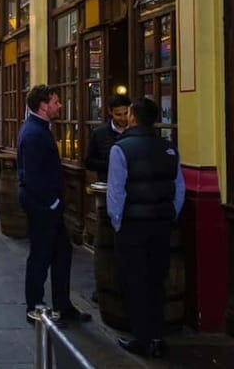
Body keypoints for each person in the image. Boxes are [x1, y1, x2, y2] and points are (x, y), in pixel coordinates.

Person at [107, 97, 185, 357]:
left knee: (135, 281)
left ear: (132, 117)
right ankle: (157, 336)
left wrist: (117, 223)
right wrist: (170, 214)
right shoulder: (169, 148)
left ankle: (142, 338)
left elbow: (115, 193)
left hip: (133, 225)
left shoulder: (121, 149)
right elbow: (179, 188)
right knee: (156, 280)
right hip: (161, 224)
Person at [17, 85, 90, 326]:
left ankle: (63, 306)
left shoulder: (39, 129)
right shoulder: (34, 133)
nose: (60, 106)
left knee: (62, 254)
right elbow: (32, 176)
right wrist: (53, 203)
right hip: (42, 207)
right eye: (56, 102)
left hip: (47, 206)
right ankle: (34, 307)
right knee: (40, 257)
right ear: (43, 105)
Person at [85, 94, 131, 182]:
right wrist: (112, 164)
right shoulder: (99, 133)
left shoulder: (135, 131)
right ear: (110, 112)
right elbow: (89, 162)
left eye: (126, 113)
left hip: (132, 187)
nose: (123, 118)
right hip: (108, 184)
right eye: (118, 114)